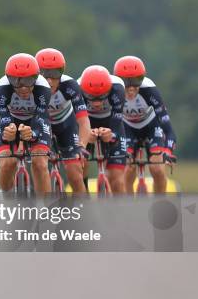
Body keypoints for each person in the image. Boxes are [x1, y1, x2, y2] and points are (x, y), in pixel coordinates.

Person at [114, 56, 176, 194]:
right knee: (127, 169)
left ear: (142, 80)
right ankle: (129, 208)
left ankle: (159, 204)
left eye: (136, 83)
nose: (130, 89)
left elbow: (168, 128)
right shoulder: (113, 90)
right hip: (128, 128)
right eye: (126, 83)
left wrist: (168, 151)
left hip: (151, 127)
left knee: (157, 169)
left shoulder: (149, 89)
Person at [0, 53, 52, 194]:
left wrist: (32, 133)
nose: (24, 88)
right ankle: (7, 197)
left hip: (35, 121)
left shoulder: (43, 87)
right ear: (9, 79)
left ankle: (45, 208)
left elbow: (41, 118)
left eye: (29, 81)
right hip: (11, 120)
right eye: (18, 82)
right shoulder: (2, 87)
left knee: (40, 164)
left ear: (36, 77)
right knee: (8, 164)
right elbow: (3, 117)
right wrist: (7, 132)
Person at [36, 48, 90, 193]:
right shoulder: (30, 87)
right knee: (39, 165)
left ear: (61, 73)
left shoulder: (70, 86)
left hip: (66, 126)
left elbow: (84, 121)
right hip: (42, 126)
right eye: (44, 75)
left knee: (74, 173)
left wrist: (82, 146)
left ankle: (85, 211)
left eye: (54, 75)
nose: (49, 80)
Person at [78, 65, 127, 193]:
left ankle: (120, 210)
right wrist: (85, 136)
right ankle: (84, 194)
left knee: (116, 178)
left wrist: (113, 135)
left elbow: (118, 119)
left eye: (102, 97)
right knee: (80, 165)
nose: (97, 103)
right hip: (87, 122)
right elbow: (76, 121)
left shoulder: (118, 88)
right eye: (91, 97)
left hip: (111, 122)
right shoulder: (77, 88)